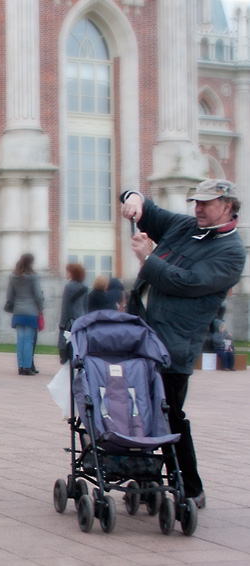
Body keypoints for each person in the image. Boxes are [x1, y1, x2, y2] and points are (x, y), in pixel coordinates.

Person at [120, 178, 246, 509]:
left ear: (227, 206)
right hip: (142, 335)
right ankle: (147, 480)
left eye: (206, 203)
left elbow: (185, 282)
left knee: (170, 415)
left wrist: (150, 258)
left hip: (174, 346)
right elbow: (151, 212)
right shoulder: (186, 226)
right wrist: (134, 199)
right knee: (138, 411)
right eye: (196, 202)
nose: (198, 208)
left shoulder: (232, 252)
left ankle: (191, 488)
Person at [5, 253, 44, 375]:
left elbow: (10, 296)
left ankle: (20, 367)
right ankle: (27, 367)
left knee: (20, 340)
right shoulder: (34, 277)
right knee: (28, 340)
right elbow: (38, 296)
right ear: (31, 263)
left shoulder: (13, 277)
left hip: (18, 311)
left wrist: (13, 307)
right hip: (31, 311)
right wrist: (41, 307)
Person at [58, 263, 87, 363]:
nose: (66, 273)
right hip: (81, 319)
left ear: (72, 273)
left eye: (67, 271)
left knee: (67, 346)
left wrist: (62, 323)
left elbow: (65, 305)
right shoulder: (84, 287)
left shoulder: (69, 286)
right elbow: (85, 305)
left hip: (70, 319)